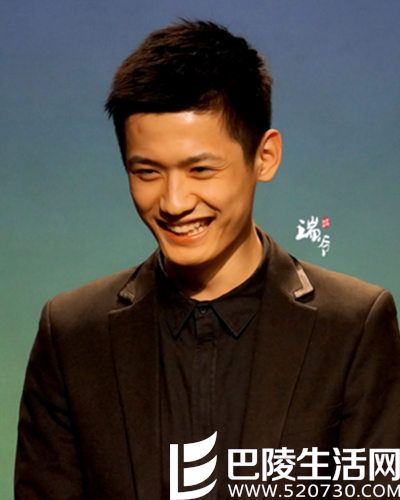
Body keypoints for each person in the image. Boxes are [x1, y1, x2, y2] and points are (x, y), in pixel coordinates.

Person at [15, 20, 400, 500]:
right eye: (147, 172)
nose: (174, 202)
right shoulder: (72, 335)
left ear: (265, 156)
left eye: (200, 169)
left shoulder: (353, 328)